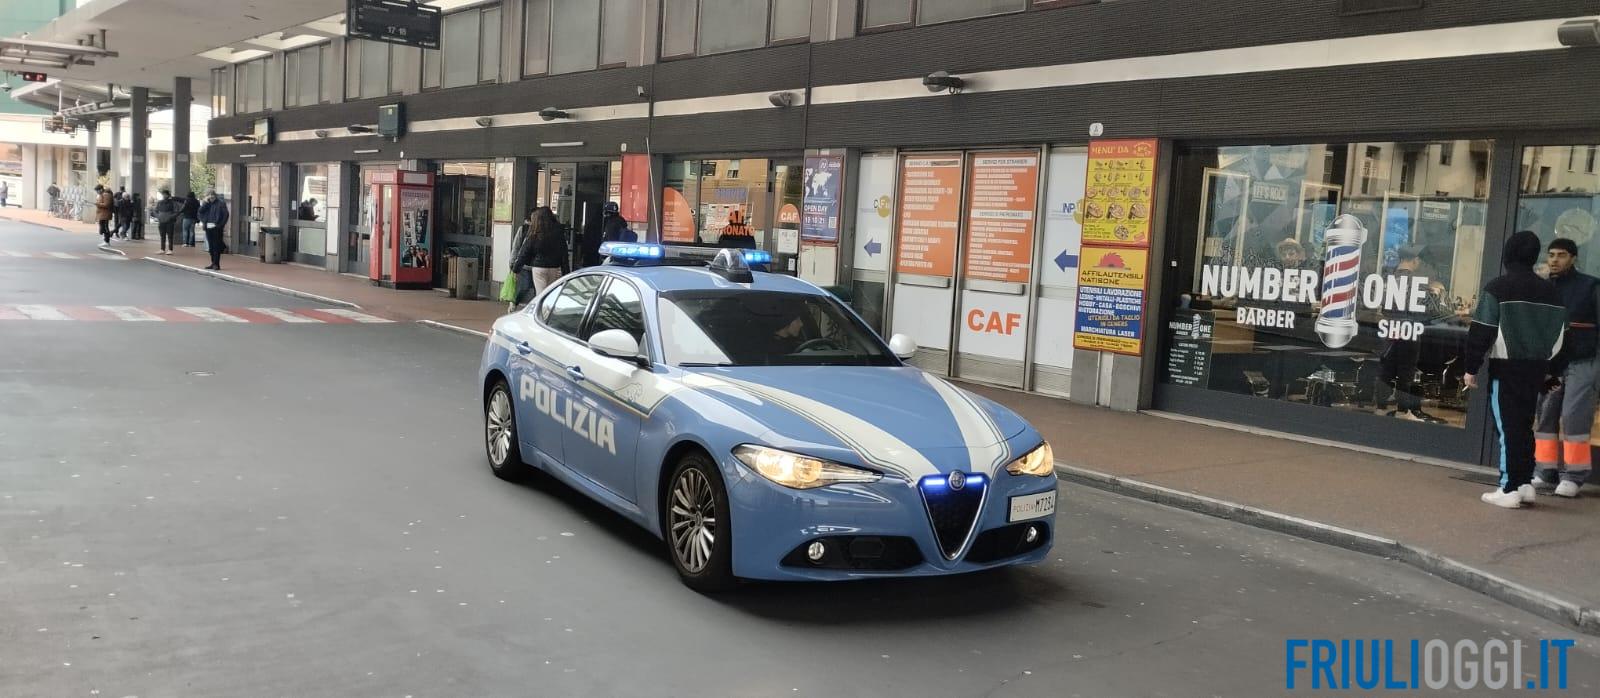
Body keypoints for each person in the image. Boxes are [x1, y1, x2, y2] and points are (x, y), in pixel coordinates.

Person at [1464, 231, 1570, 509]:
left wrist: (1471, 367)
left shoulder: (1498, 288)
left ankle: (1509, 487)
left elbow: (1482, 330)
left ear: (1508, 254)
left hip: (1507, 367)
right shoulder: (1552, 292)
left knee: (1507, 428)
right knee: (1523, 426)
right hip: (1537, 369)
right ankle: (1524, 484)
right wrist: (1553, 371)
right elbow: (1563, 337)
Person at [1534, 237, 1600, 497]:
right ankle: (1545, 471)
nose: (1554, 260)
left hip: (1583, 360)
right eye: (1551, 254)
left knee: (1575, 416)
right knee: (1545, 415)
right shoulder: (1542, 287)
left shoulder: (1590, 286)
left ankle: (1574, 476)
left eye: (1561, 255)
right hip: (1551, 363)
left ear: (1573, 258)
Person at [1377, 246, 1446, 423]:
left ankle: (1380, 407)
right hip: (1410, 329)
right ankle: (1402, 410)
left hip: (1389, 328)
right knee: (1405, 371)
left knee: (1386, 370)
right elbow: (1432, 310)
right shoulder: (1417, 282)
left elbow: (1380, 306)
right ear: (1415, 260)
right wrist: (1435, 293)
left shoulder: (1387, 279)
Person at [511, 206, 564, 304]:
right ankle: (547, 310)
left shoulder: (536, 231)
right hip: (554, 267)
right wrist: (566, 271)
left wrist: (515, 268)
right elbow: (563, 252)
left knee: (540, 294)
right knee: (551, 294)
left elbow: (525, 251)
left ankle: (540, 311)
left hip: (539, 267)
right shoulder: (558, 232)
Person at [197, 189, 229, 270]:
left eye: (212, 195)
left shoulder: (221, 203)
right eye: (209, 195)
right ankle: (213, 263)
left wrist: (220, 225)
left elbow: (226, 215)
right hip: (208, 227)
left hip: (216, 228)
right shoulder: (206, 204)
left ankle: (216, 264)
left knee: (216, 246)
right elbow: (200, 212)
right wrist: (205, 203)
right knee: (211, 247)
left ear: (215, 195)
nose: (211, 196)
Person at [154, 188, 181, 255]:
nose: (164, 196)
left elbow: (177, 211)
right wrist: (158, 216)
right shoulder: (160, 203)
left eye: (165, 194)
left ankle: (170, 249)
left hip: (170, 222)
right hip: (161, 221)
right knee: (162, 235)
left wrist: (170, 217)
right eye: (163, 194)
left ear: (168, 195)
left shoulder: (173, 203)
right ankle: (162, 249)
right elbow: (155, 210)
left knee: (170, 236)